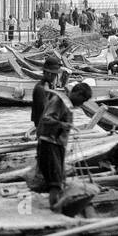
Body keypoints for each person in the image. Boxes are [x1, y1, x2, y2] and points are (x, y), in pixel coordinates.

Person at [34, 80, 93, 210]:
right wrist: (63, 125)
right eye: (82, 100)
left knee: (60, 179)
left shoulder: (67, 104)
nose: (81, 104)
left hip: (58, 144)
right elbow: (46, 119)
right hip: (49, 144)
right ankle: (55, 209)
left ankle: (56, 205)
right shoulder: (59, 101)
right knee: (55, 181)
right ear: (77, 93)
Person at [29, 54, 63, 132]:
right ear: (48, 73)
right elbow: (43, 112)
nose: (55, 77)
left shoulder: (48, 86)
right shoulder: (40, 89)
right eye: (55, 75)